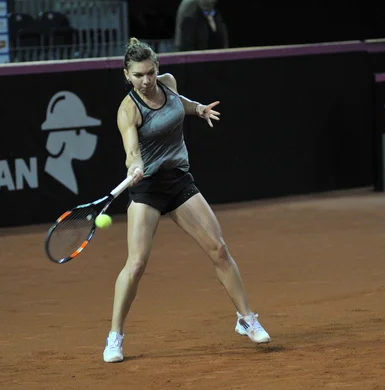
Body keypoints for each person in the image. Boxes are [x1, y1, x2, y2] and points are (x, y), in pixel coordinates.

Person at [102, 37, 270, 363]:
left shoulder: (167, 84)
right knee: (136, 264)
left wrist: (197, 109)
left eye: (150, 72)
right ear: (127, 75)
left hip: (178, 181)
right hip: (147, 189)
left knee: (218, 249)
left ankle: (246, 319)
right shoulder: (127, 110)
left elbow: (178, 102)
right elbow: (131, 150)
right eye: (138, 75)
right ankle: (114, 337)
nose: (146, 80)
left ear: (158, 69)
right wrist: (134, 164)